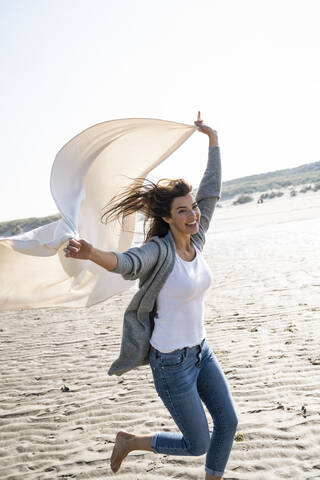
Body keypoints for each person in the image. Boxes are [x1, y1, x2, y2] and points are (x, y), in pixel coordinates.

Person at [64, 114, 238, 479]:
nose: (192, 214)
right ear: (168, 218)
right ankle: (129, 441)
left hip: (200, 352)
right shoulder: (159, 252)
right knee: (197, 443)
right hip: (172, 364)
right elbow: (127, 263)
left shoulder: (197, 237)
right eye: (183, 211)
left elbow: (211, 190)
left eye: (192, 208)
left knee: (228, 422)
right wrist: (92, 253)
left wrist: (214, 141)